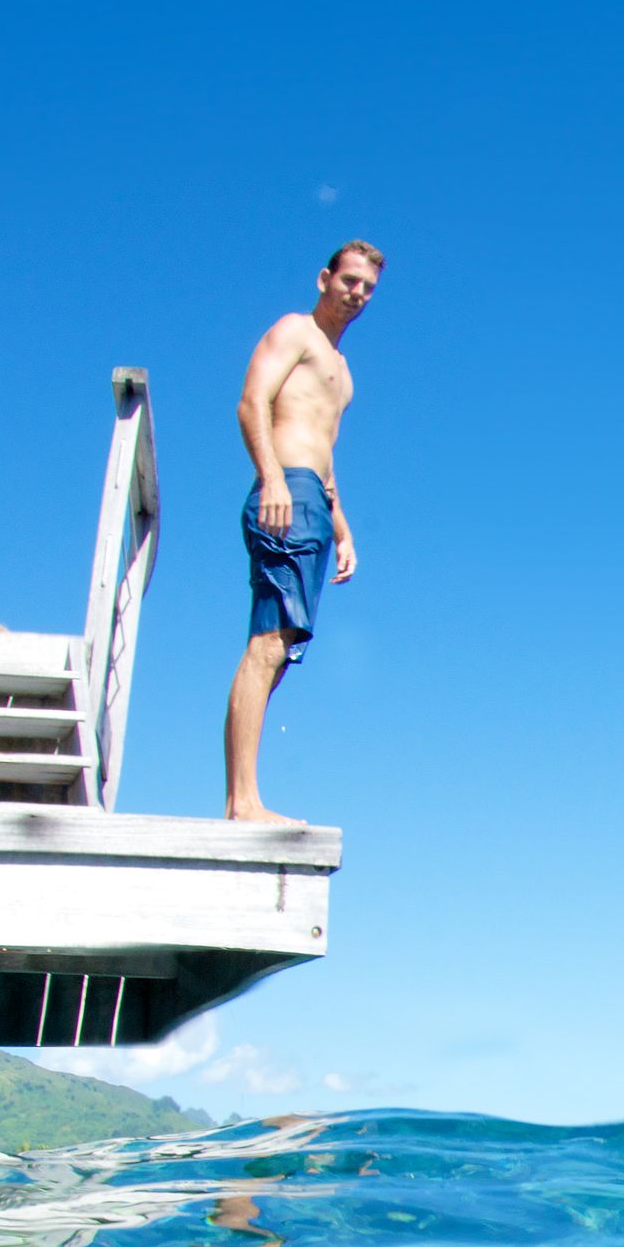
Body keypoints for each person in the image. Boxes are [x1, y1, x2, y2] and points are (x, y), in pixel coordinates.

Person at [222, 241, 383, 824]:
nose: (357, 294)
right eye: (350, 281)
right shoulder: (295, 331)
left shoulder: (343, 374)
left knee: (283, 647)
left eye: (368, 288)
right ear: (324, 278)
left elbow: (328, 457)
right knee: (267, 644)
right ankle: (243, 803)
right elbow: (251, 403)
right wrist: (270, 479)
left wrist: (343, 529)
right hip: (283, 488)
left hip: (313, 498)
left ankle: (245, 798)